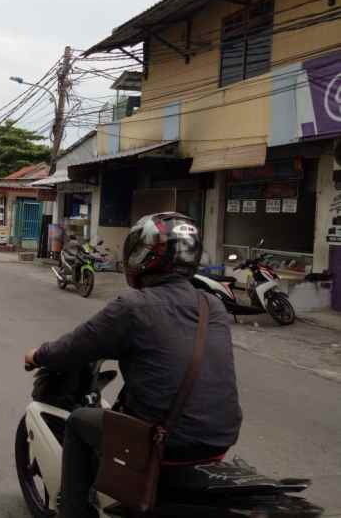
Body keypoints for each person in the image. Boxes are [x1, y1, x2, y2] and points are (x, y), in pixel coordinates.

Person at [24, 213, 242, 518]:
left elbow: (74, 347)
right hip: (219, 436)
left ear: (142, 255)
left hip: (165, 441)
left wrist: (37, 355)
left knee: (78, 422)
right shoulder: (212, 305)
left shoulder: (133, 305)